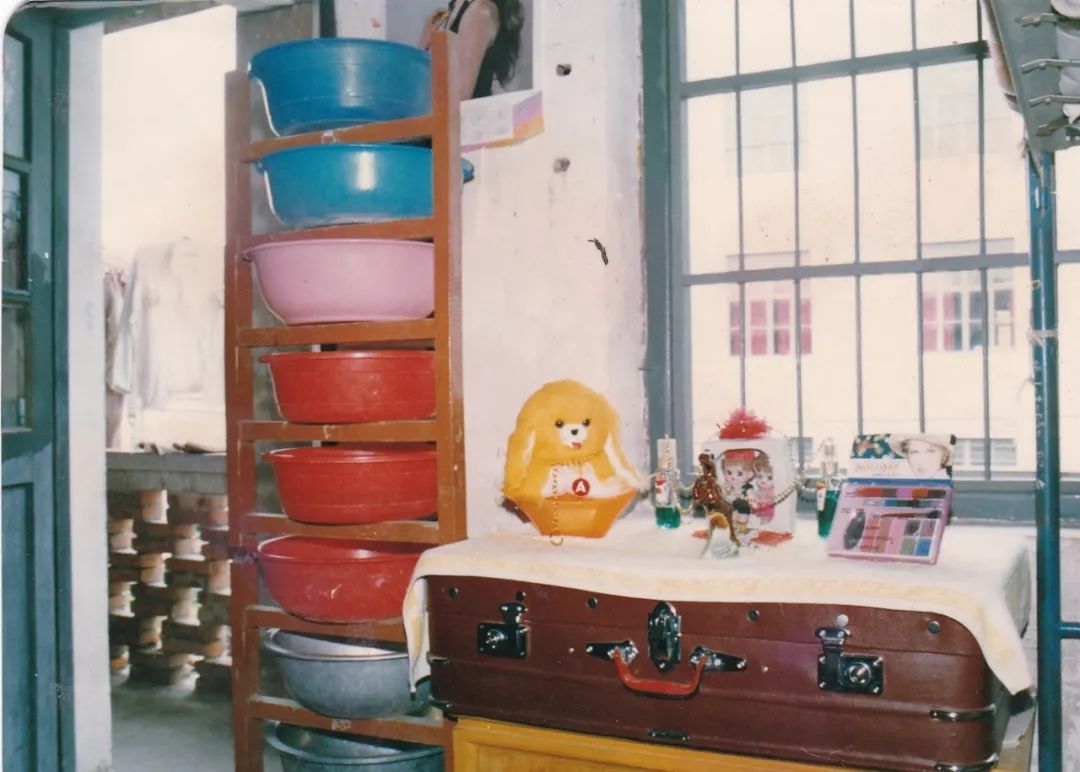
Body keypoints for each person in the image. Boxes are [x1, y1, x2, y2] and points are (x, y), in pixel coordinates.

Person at [419, 0, 525, 101]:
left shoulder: (479, 11)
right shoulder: (455, 11)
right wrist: (425, 44)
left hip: (466, 113)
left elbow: (459, 98)